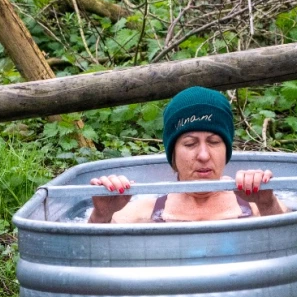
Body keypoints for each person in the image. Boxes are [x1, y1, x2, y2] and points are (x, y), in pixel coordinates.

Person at [88, 87, 286, 224]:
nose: (203, 155)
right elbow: (89, 259)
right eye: (190, 144)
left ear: (226, 149)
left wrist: (268, 204)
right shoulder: (144, 213)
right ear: (172, 152)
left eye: (214, 142)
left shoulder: (258, 206)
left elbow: (295, 248)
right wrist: (102, 214)